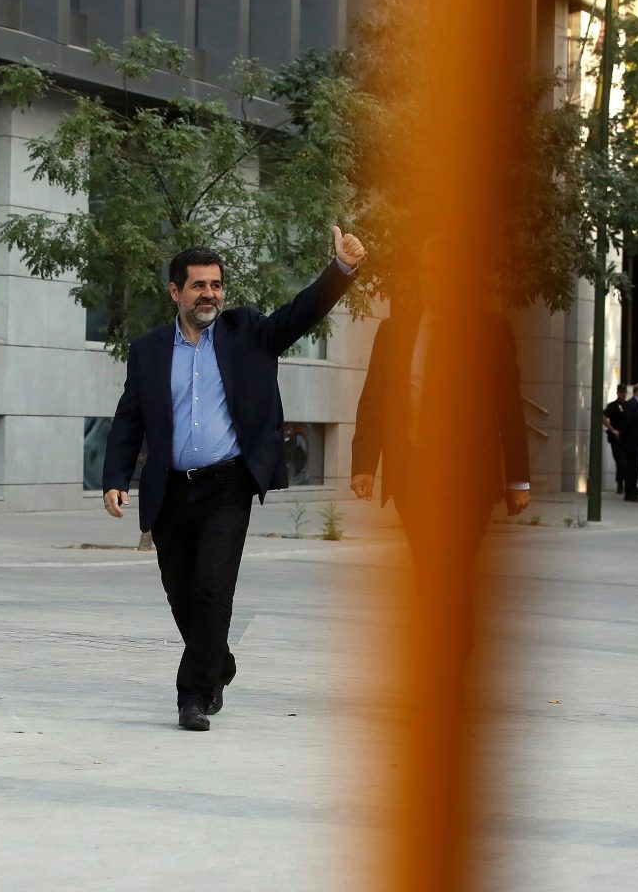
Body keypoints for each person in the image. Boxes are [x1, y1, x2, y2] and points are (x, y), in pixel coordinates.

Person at [101, 228, 365, 732]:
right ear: (175, 292)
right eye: (199, 285)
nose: (210, 294)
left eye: (217, 285)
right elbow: (129, 416)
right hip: (171, 488)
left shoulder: (250, 333)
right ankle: (217, 661)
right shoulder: (150, 350)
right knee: (180, 590)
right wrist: (116, 476)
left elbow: (301, 312)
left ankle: (194, 695)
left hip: (227, 486)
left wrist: (341, 270)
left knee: (212, 589)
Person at [349, 289, 530, 665]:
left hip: (470, 480)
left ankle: (450, 660)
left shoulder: (491, 330)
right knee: (429, 570)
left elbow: (509, 405)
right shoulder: (395, 331)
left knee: (456, 571)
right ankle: (440, 656)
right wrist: (365, 465)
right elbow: (375, 399)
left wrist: (518, 479)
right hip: (413, 474)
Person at [621, 385, 638, 502]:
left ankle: (633, 490)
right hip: (631, 442)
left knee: (635, 467)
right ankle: (630, 492)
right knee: (631, 468)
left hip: (637, 442)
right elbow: (626, 423)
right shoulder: (631, 404)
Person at [603, 384, 628, 495]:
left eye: (624, 392)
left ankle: (626, 483)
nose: (623, 394)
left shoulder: (628, 405)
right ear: (617, 393)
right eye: (621, 392)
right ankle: (620, 484)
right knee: (620, 461)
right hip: (616, 438)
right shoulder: (612, 406)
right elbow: (603, 416)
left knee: (626, 462)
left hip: (626, 437)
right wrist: (612, 429)